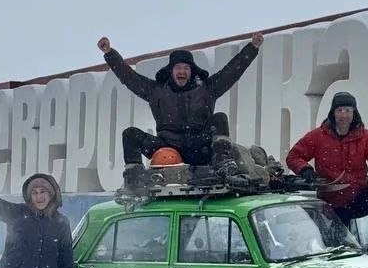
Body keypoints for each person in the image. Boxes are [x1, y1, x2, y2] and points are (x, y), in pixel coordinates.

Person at [96, 33, 263, 177]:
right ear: (171, 71)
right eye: (178, 68)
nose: (182, 72)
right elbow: (128, 77)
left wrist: (252, 47)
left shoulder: (207, 88)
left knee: (219, 118)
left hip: (201, 147)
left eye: (186, 68)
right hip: (167, 149)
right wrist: (110, 54)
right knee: (130, 134)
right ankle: (135, 179)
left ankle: (224, 165)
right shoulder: (156, 91)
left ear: (192, 71)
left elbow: (232, 71)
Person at [285, 92, 368, 255]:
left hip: (358, 200)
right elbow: (293, 156)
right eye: (340, 110)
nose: (344, 115)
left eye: (348, 110)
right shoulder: (318, 136)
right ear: (333, 112)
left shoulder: (366, 137)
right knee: (339, 253)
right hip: (331, 206)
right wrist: (305, 170)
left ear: (354, 113)